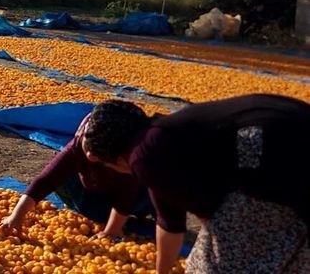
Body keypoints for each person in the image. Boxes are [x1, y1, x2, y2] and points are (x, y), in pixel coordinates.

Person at [81, 94, 310, 274]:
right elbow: (172, 218)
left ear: (116, 156)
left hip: (274, 152)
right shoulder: (162, 137)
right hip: (290, 135)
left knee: (218, 262)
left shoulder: (143, 155)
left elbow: (173, 225)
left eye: (107, 165)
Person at [0, 107, 154, 238]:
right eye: (87, 146)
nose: (90, 155)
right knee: (64, 179)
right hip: (97, 188)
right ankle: (105, 213)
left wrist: (111, 231)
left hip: (137, 195)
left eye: (96, 154)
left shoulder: (131, 159)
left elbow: (126, 196)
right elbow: (45, 180)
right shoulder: (79, 147)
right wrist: (16, 215)